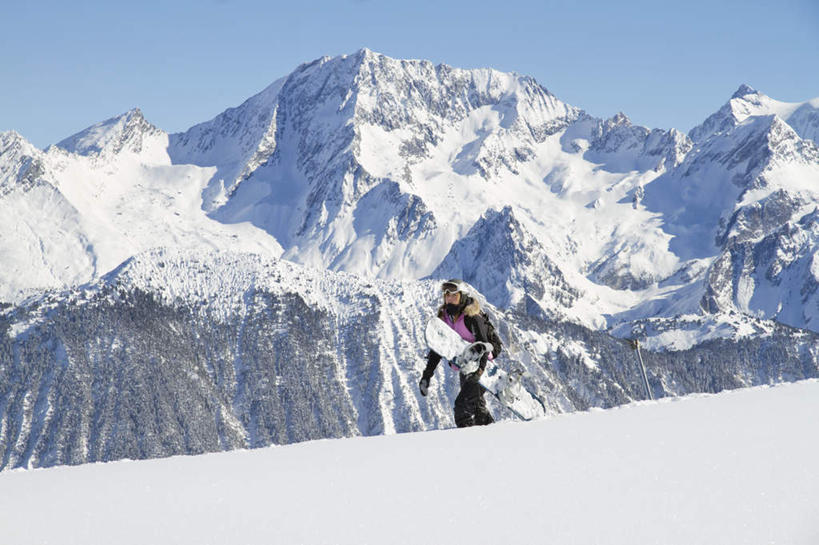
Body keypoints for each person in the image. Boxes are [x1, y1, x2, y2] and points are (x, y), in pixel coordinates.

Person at [419, 279, 503, 427]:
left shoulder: (472, 317)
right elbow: (439, 348)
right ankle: (494, 438)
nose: (449, 298)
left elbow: (483, 345)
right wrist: (427, 375)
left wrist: (479, 372)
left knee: (462, 408)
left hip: (482, 366)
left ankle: (468, 446)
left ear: (463, 296)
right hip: (465, 367)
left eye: (453, 295)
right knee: (478, 410)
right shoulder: (445, 318)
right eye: (446, 295)